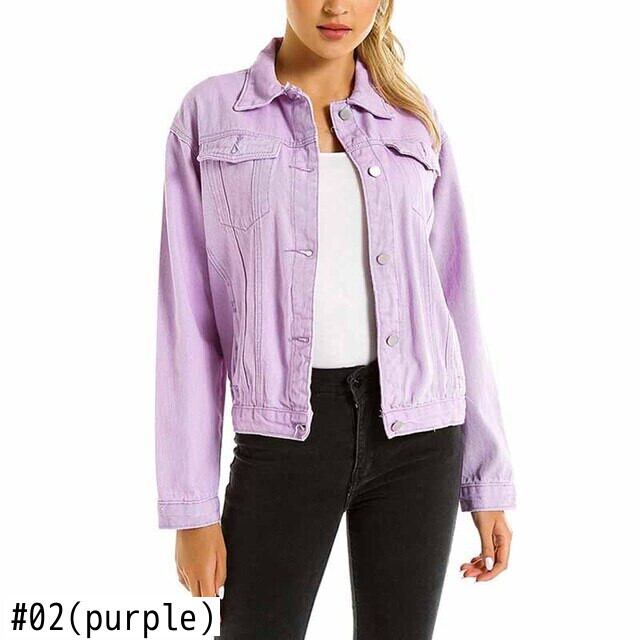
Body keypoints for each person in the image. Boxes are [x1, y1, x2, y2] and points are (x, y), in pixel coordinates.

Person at [155, 1, 516, 637]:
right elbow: (186, 320)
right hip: (284, 438)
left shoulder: (413, 120)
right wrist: (192, 507)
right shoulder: (210, 114)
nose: (335, 6)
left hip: (420, 435)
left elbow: (456, 303)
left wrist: (486, 481)